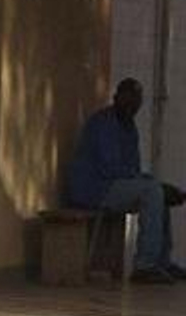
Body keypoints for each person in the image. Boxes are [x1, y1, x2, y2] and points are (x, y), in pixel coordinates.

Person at [66, 78, 186, 283]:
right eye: (127, 100)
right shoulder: (103, 123)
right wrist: (151, 183)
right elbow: (110, 168)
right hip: (93, 188)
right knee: (153, 191)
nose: (132, 106)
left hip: (111, 185)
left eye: (136, 102)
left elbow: (133, 171)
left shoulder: (130, 128)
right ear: (116, 98)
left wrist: (157, 184)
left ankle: (161, 262)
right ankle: (144, 266)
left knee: (158, 192)